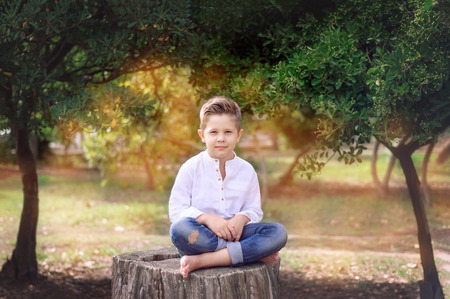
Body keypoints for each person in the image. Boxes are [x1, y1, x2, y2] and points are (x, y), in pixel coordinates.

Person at [169, 96, 287, 277]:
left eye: (228, 132)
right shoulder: (191, 167)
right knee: (178, 229)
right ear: (202, 135)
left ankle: (203, 260)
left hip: (237, 233)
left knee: (277, 232)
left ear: (239, 135)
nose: (221, 139)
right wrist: (208, 218)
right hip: (202, 237)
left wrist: (241, 218)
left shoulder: (247, 171)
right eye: (214, 132)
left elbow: (254, 209)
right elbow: (176, 210)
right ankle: (248, 253)